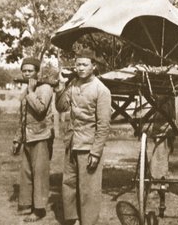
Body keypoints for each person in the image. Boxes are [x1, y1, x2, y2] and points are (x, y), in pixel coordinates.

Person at [55, 49, 111, 225]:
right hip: (72, 142)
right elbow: (62, 107)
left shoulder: (101, 90)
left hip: (88, 145)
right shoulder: (73, 85)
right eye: (78, 64)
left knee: (89, 190)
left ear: (93, 66)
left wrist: (96, 152)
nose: (80, 68)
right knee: (68, 184)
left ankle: (88, 222)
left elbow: (103, 125)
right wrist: (61, 86)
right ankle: (72, 219)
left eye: (84, 64)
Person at [12, 57, 54, 222]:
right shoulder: (27, 89)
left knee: (40, 174)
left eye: (30, 70)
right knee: (27, 173)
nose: (27, 73)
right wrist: (17, 138)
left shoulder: (45, 88)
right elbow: (23, 117)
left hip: (41, 136)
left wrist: (30, 91)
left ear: (37, 72)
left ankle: (39, 209)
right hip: (28, 137)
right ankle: (27, 204)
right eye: (24, 70)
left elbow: (40, 109)